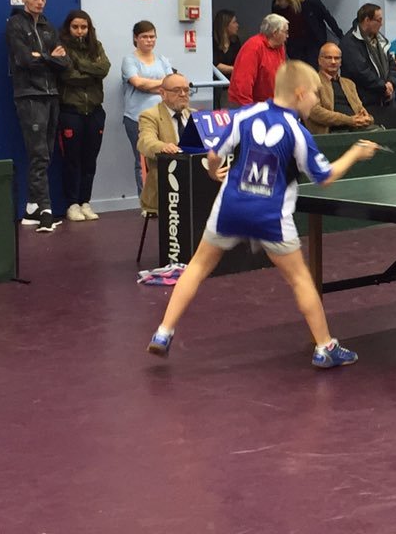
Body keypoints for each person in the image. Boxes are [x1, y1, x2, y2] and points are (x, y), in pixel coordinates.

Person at [146, 60, 381, 369]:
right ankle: (325, 347)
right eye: (314, 94)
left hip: (230, 207)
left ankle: (163, 332)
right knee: (300, 279)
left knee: (198, 267)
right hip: (271, 217)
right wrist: (355, 153)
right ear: (300, 93)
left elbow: (214, 153)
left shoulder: (245, 114)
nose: (316, 100)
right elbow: (324, 177)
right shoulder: (298, 133)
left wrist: (215, 173)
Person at [5, 0, 70, 232]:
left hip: (51, 94)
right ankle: (45, 210)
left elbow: (65, 63)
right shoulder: (15, 24)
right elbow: (23, 60)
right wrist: (50, 58)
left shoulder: (48, 27)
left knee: (47, 153)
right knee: (39, 154)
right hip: (29, 95)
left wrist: (41, 57)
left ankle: (32, 208)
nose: (40, 2)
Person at [57, 10, 111, 222]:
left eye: (84, 27)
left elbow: (104, 68)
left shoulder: (96, 46)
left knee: (90, 160)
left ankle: (85, 202)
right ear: (68, 28)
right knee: (72, 160)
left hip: (95, 111)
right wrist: (92, 73)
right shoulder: (61, 47)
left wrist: (80, 64)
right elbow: (68, 76)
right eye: (75, 27)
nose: (80, 31)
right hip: (71, 111)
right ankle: (72, 204)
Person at [122, 21, 174, 195]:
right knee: (142, 161)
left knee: (165, 157)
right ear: (136, 38)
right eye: (144, 37)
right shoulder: (129, 60)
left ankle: (163, 200)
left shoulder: (162, 60)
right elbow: (138, 83)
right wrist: (161, 84)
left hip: (162, 117)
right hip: (136, 117)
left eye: (152, 36)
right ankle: (145, 201)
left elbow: (172, 84)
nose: (149, 40)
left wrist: (150, 85)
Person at [137, 73, 195, 215]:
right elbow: (145, 142)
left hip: (195, 180)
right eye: (176, 90)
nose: (183, 94)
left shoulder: (194, 115)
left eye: (186, 90)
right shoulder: (150, 115)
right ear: (162, 93)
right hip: (166, 183)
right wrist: (163, 147)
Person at [305, 42, 378, 134]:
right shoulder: (311, 81)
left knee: (380, 133)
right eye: (328, 58)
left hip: (356, 128)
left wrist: (368, 118)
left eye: (337, 58)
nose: (333, 62)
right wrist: (349, 120)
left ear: (340, 62)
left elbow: (360, 109)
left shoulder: (349, 84)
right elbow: (315, 112)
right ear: (319, 60)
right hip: (331, 132)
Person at [340, 3, 396, 110]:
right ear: (367, 20)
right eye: (379, 20)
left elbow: (392, 65)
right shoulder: (350, 43)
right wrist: (383, 87)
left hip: (384, 98)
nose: (381, 24)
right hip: (363, 101)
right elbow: (360, 72)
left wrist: (391, 83)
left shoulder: (381, 40)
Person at [271, 0, 344, 67]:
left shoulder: (309, 0)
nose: (277, 3)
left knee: (314, 68)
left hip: (313, 41)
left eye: (280, 0)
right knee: (300, 70)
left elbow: (327, 16)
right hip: (294, 45)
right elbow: (276, 26)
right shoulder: (277, 8)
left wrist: (340, 36)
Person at [228, 13, 289, 107]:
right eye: (285, 32)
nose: (287, 36)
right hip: (250, 105)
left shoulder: (280, 47)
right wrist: (250, 109)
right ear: (275, 33)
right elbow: (243, 82)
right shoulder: (253, 47)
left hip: (271, 105)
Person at [212, 8, 241, 79]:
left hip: (232, 80)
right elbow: (215, 65)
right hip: (216, 81)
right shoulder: (213, 42)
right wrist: (236, 69)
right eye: (234, 22)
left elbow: (239, 61)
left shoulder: (235, 41)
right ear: (225, 25)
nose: (237, 25)